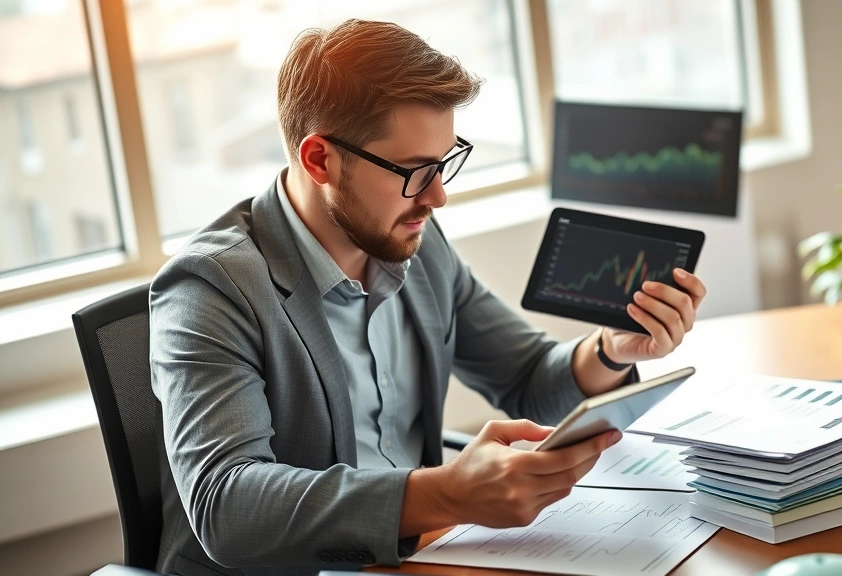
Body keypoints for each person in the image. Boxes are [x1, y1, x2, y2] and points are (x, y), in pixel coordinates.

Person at [150, 19, 707, 576]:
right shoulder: (210, 287)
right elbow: (227, 506)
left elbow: (528, 377)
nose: (438, 197)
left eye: (444, 163)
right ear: (320, 160)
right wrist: (447, 493)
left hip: (423, 557)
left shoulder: (415, 241)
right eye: (416, 172)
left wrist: (610, 350)